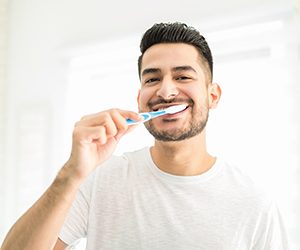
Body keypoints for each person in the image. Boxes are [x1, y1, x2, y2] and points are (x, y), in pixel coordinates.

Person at [1, 22, 289, 250]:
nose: (165, 91)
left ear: (212, 95)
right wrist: (71, 174)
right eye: (152, 78)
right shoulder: (100, 180)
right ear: (140, 98)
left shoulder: (254, 203)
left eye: (183, 76)